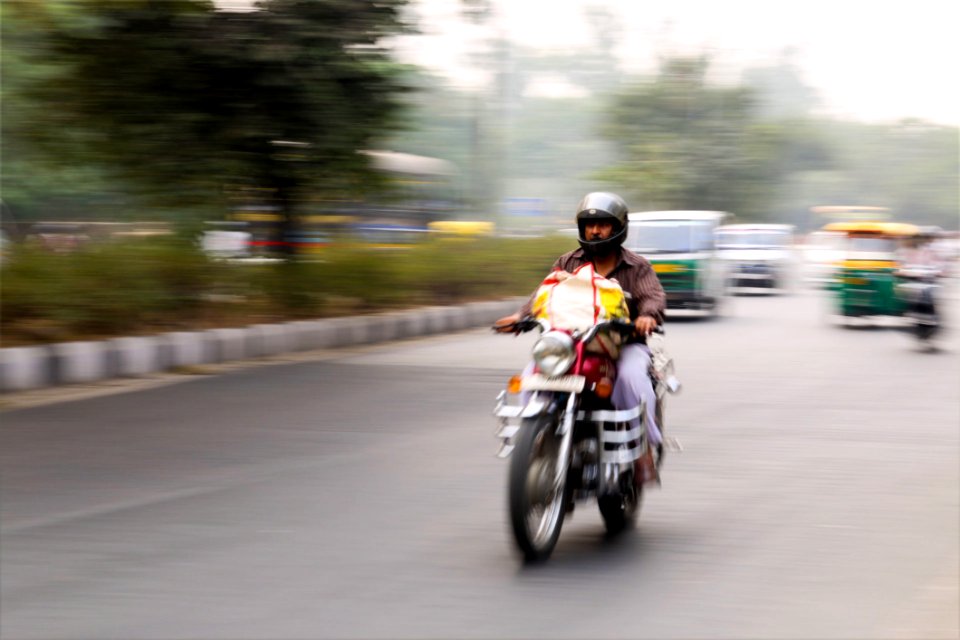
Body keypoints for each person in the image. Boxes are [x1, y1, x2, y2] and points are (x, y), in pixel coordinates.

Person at [494, 192, 667, 486]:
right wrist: (520, 316)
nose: (595, 231)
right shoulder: (567, 262)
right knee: (532, 375)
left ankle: (644, 449)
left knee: (630, 378)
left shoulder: (637, 266)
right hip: (571, 346)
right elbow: (543, 296)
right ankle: (533, 439)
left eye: (603, 224)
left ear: (618, 228)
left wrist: (647, 316)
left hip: (622, 345)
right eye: (590, 224)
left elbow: (653, 297)